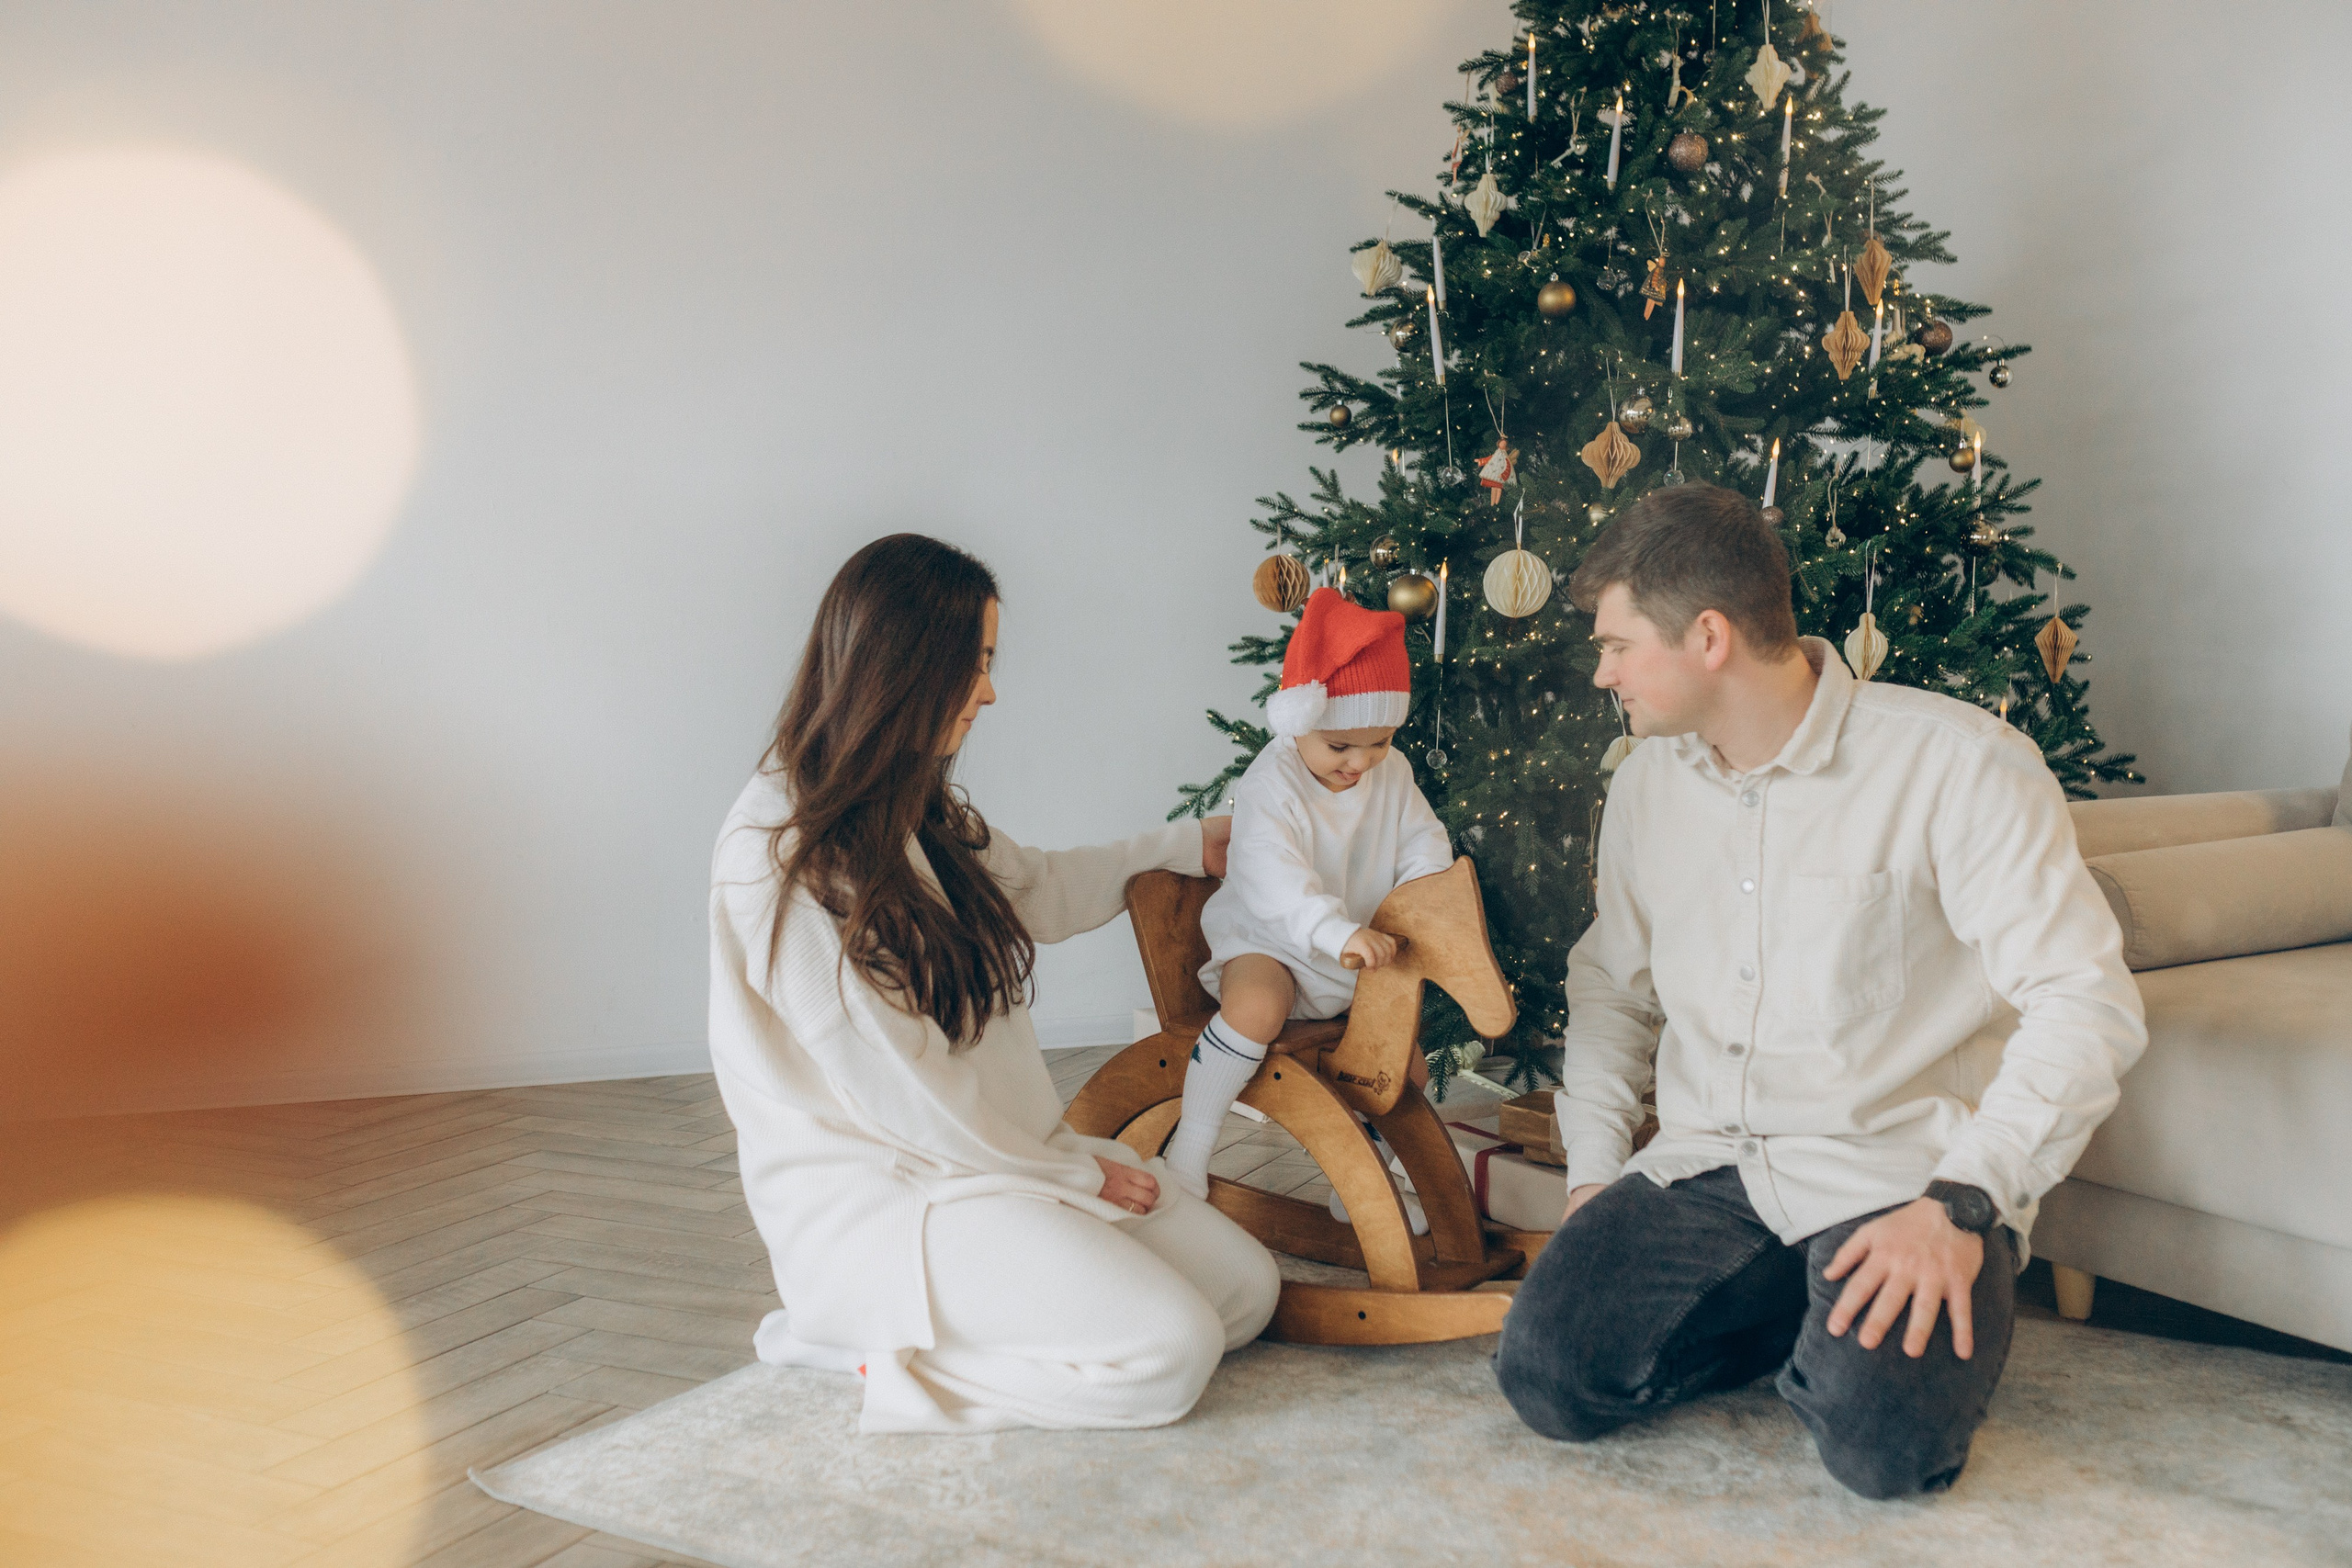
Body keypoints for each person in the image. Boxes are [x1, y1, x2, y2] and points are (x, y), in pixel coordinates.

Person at [1492, 485, 2146, 1498]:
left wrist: (1963, 1202)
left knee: (1883, 1451)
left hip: (1904, 1181)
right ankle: (1796, 1316)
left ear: (1707, 636)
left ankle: (1869, 1340)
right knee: (1550, 1379)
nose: (1601, 670)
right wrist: (1591, 1178)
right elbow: (1611, 987)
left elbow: (2083, 1000)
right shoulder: (1645, 786)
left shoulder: (1960, 766)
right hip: (1712, 1163)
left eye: (1617, 644)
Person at [707, 534, 1280, 1435]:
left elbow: (1035, 887)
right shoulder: (780, 855)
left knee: (1246, 1295)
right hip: (895, 1196)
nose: (989, 692)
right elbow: (902, 1096)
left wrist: (1181, 844)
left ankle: (954, 1323)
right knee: (1168, 1356)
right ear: (903, 670)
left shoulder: (911, 802)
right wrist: (1070, 1174)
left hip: (993, 1159)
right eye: (973, 666)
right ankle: (859, 1346)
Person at [1163, 586, 1455, 1218]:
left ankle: (1370, 1177)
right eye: (1341, 746)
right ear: (1301, 720)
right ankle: (1190, 1146)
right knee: (1257, 1003)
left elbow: (1422, 839)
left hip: (1353, 954)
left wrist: (1427, 893)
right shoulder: (1273, 781)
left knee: (1402, 1060)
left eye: (1378, 742)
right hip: (1273, 938)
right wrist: (1332, 929)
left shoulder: (1391, 771)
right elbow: (1271, 875)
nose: (1360, 763)